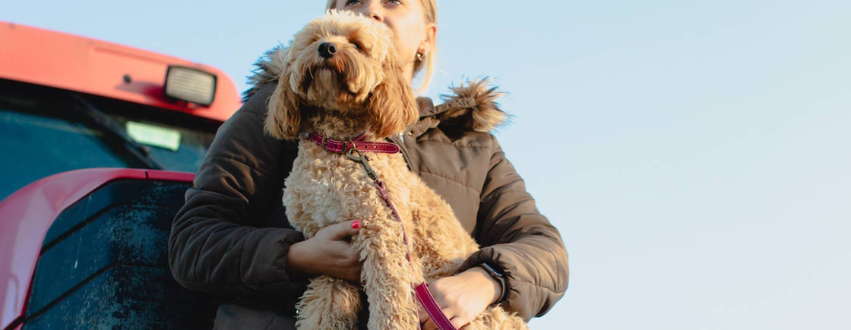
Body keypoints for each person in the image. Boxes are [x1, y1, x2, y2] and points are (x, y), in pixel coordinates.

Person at [168, 0, 569, 329]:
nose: (371, 11)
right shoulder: (273, 110)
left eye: (392, 2)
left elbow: (545, 251)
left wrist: (484, 281)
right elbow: (193, 242)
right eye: (354, 1)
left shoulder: (470, 146)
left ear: (426, 39)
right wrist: (296, 256)